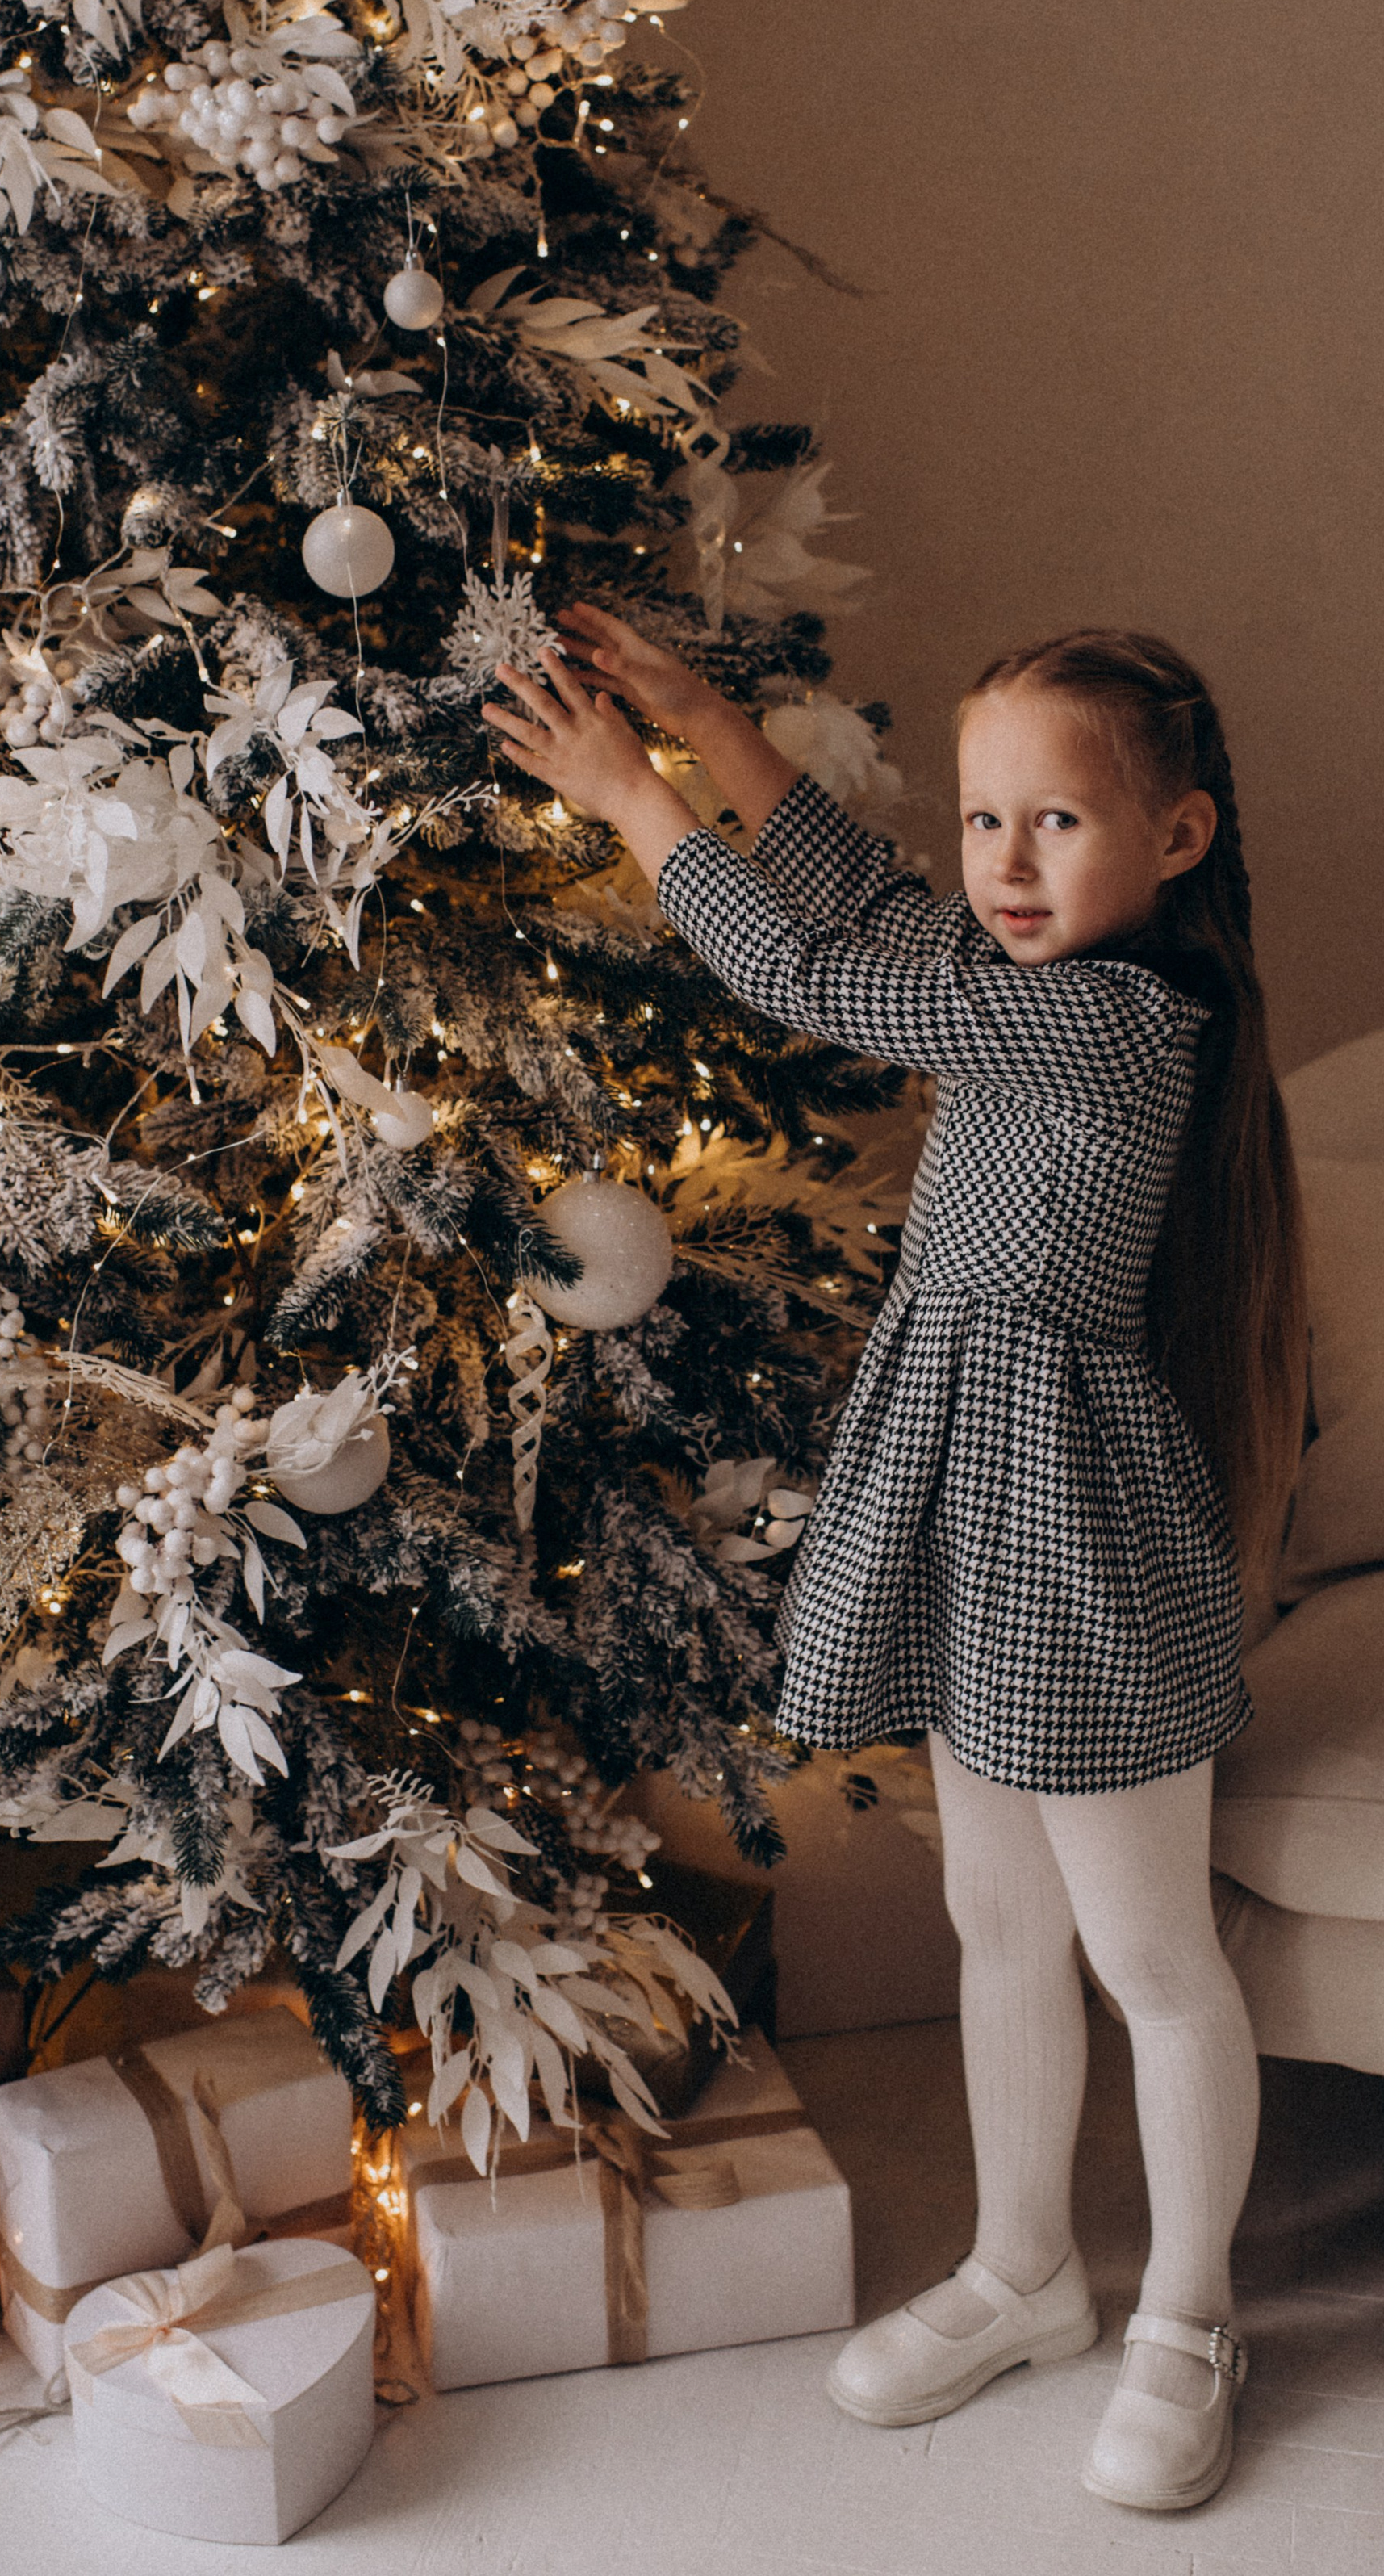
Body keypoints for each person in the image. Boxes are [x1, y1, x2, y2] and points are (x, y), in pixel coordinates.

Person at [484, 612, 1308, 2516]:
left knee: (1144, 1955)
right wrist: (704, 725)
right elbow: (850, 884)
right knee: (997, 1923)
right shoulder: (1019, 955)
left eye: (1057, 826)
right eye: (984, 820)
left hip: (1072, 1519)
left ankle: (1188, 2312)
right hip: (958, 1485)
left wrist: (630, 793)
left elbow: (803, 970)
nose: (1005, 867)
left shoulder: (1117, 1013)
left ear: (1173, 841)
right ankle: (1024, 2266)